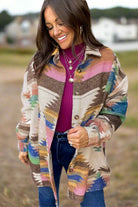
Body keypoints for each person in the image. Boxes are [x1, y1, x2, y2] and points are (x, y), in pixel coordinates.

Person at [16, 0, 128, 206]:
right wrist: (23, 142)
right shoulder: (39, 60)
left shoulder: (106, 59)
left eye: (60, 23)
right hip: (44, 147)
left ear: (77, 17)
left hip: (86, 151)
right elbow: (29, 104)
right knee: (47, 201)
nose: (55, 31)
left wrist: (91, 134)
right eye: (49, 26)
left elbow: (117, 107)